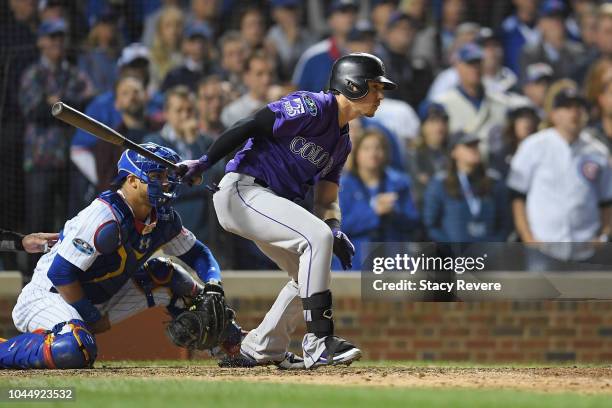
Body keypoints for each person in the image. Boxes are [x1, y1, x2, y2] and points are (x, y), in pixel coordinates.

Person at [180, 53, 397, 368]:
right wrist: (204, 161)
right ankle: (320, 340)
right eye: (375, 87)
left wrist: (335, 228)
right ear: (352, 86)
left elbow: (327, 199)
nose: (380, 96)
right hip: (243, 190)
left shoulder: (343, 142)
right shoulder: (313, 106)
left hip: (266, 202)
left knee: (308, 274)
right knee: (315, 239)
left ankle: (261, 347)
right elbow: (252, 123)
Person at [0, 143, 242, 369]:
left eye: (168, 176)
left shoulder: (163, 217)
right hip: (51, 295)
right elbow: (61, 273)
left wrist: (213, 285)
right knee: (75, 349)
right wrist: (91, 317)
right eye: (158, 176)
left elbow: (198, 253)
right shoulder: (105, 216)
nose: (166, 183)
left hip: (100, 294)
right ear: (132, 181)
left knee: (170, 276)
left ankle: (234, 344)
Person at [507, 89, 612, 260]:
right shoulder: (534, 146)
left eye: (579, 107)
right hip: (544, 246)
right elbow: (517, 196)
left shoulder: (598, 152)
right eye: (567, 107)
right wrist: (527, 238)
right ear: (554, 114)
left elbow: (607, 200)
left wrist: (604, 235)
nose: (574, 113)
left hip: (585, 248)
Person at [19, 18, 95, 236]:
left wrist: (56, 102)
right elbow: (33, 112)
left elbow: (88, 102)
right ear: (41, 41)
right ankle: (33, 269)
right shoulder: (33, 73)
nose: (57, 42)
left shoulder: (73, 72)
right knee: (38, 219)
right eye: (52, 37)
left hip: (69, 158)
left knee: (68, 220)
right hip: (39, 159)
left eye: (61, 37)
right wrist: (66, 106)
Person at [337, 130, 420, 270]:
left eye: (378, 148)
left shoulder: (399, 183)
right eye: (367, 148)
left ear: (386, 153)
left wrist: (394, 211)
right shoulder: (343, 186)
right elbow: (338, 228)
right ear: (357, 154)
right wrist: (373, 211)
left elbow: (413, 221)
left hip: (391, 261)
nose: (373, 153)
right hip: (356, 261)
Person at [423, 131, 512, 243]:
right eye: (468, 146)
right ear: (454, 152)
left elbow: (505, 223)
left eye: (476, 145)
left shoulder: (494, 182)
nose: (474, 149)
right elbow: (430, 224)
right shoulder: (440, 184)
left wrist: (494, 245)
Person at [432, 42, 508, 156]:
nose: (475, 69)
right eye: (470, 63)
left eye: (478, 63)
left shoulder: (500, 102)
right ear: (458, 66)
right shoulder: (442, 103)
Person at [292, 0, 358, 92]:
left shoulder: (370, 52)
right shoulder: (313, 56)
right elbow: (297, 93)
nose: (349, 16)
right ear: (330, 20)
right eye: (343, 11)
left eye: (353, 12)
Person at [519, 0, 585, 84]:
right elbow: (529, 87)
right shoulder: (529, 54)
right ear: (540, 23)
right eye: (551, 18)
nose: (556, 23)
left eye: (560, 18)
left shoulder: (579, 52)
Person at [407, 104, 451, 208]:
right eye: (433, 121)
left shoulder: (452, 151)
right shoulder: (414, 154)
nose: (439, 127)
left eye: (443, 121)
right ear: (422, 126)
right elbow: (419, 191)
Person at [265, 0, 317, 83]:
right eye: (287, 9)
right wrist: (291, 42)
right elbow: (282, 70)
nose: (291, 13)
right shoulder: (272, 35)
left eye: (294, 9)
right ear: (275, 13)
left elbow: (314, 63)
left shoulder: (307, 34)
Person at [220, 51, 274, 129]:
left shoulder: (281, 105)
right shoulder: (233, 111)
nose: (267, 79)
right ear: (246, 77)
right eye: (259, 74)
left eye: (270, 74)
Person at [160, 22, 217, 93]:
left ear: (208, 45)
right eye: (193, 41)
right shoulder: (175, 76)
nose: (198, 46)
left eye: (202, 41)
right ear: (185, 44)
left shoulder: (215, 73)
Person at [488, 106, 540, 179]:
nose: (527, 123)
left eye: (530, 119)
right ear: (513, 124)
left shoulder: (540, 151)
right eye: (522, 120)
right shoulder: (503, 152)